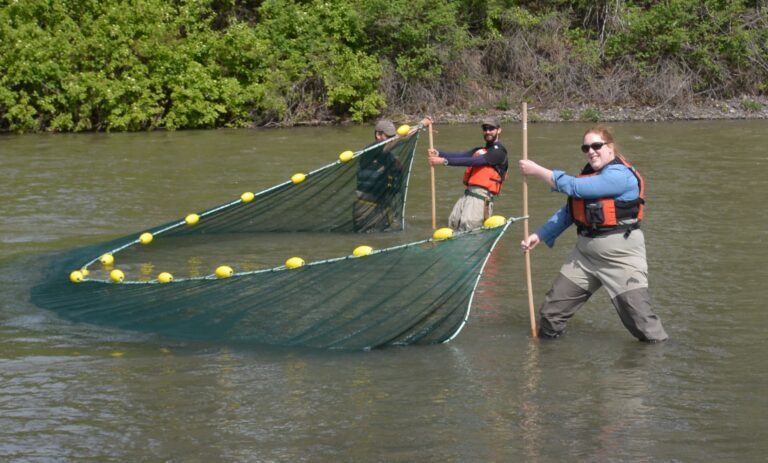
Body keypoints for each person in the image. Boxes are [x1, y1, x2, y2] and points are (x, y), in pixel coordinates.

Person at [518, 125, 668, 342]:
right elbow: (570, 211)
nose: (591, 151)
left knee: (644, 326)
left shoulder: (620, 175)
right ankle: (549, 363)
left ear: (610, 147)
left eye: (596, 145)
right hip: (585, 256)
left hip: (621, 258)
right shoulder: (589, 173)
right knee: (550, 315)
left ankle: (656, 364)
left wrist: (537, 170)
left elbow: (574, 188)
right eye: (586, 147)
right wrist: (539, 235)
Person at [427, 117, 509, 231]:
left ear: (499, 130)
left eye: (491, 129)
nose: (488, 131)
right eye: (485, 129)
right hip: (468, 194)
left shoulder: (499, 152)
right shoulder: (480, 150)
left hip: (481, 197)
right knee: (453, 222)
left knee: (469, 226)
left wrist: (444, 161)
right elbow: (462, 156)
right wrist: (439, 153)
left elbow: (474, 161)